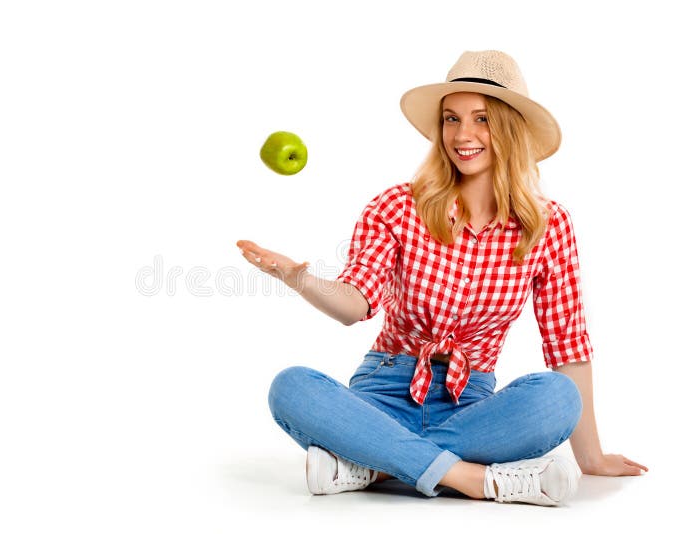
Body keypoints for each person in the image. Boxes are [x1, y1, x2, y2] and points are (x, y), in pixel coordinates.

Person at [236, 50, 647, 506]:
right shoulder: (396, 207)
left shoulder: (548, 226)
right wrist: (299, 279)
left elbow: (567, 343)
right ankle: (472, 479)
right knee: (292, 387)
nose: (462, 135)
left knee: (557, 398)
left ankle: (370, 464)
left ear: (510, 128)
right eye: (451, 119)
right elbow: (355, 304)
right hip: (384, 391)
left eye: (481, 119)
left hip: (471, 406)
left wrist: (590, 458)